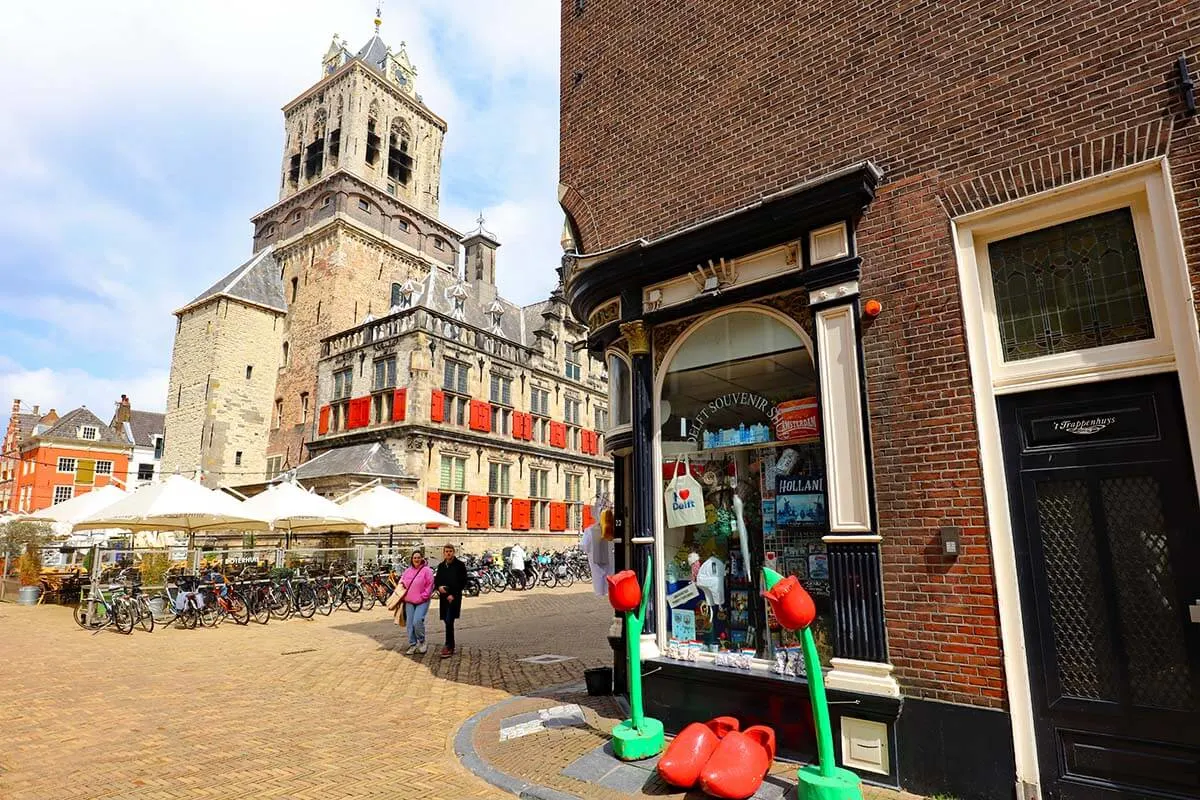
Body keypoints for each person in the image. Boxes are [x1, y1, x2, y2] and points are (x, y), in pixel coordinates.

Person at [433, 543, 468, 658]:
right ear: (443, 553)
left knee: (449, 620)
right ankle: (450, 645)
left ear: (453, 552)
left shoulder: (460, 565)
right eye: (446, 551)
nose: (448, 553)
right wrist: (439, 587)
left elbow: (463, 582)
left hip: (454, 597)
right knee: (447, 621)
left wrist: (453, 594)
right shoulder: (441, 566)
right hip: (444, 597)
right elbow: (437, 580)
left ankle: (448, 645)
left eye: (450, 551)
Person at [398, 549, 434, 655]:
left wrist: (424, 596)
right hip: (409, 600)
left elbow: (430, 584)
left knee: (417, 621)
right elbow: (402, 581)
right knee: (410, 624)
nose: (416, 559)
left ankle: (422, 641)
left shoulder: (427, 571)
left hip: (422, 600)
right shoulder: (407, 571)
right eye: (414, 558)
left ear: (422, 558)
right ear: (411, 559)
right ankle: (413, 644)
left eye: (418, 557)